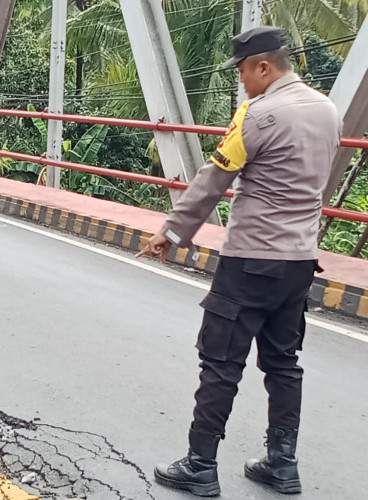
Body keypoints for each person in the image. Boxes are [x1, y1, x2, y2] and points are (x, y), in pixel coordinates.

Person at [138, 27, 342, 497]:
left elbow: (212, 181)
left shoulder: (258, 115)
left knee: (221, 363)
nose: (243, 83)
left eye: (245, 72)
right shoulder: (327, 110)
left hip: (251, 260)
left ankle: (200, 465)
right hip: (299, 262)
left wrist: (169, 231)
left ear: (264, 66)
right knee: (284, 362)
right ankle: (282, 463)